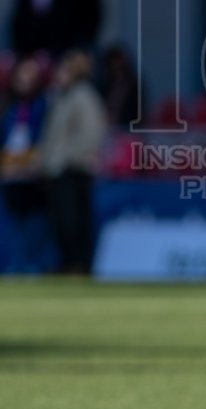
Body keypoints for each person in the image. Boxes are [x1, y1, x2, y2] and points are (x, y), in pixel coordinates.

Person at [40, 50, 107, 275]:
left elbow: (90, 134)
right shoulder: (61, 96)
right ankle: (67, 262)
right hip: (58, 168)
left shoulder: (84, 96)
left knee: (74, 220)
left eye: (63, 69)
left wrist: (71, 158)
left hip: (74, 169)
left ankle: (79, 264)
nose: (58, 74)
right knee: (61, 221)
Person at [1, 56, 50, 273]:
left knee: (35, 224)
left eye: (29, 75)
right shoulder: (9, 108)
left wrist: (34, 161)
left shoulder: (43, 106)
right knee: (13, 224)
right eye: (21, 75)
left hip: (35, 173)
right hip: (11, 172)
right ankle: (16, 264)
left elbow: (45, 137)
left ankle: (34, 265)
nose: (24, 80)